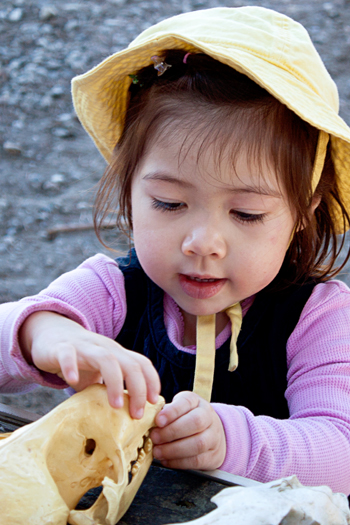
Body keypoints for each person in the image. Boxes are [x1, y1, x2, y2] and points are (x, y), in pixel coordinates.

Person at [1, 6, 350, 495]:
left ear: (302, 211)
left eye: (246, 213)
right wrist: (42, 332)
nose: (202, 242)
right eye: (170, 203)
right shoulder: (114, 290)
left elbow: (341, 449)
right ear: (130, 188)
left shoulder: (318, 318)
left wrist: (231, 442)